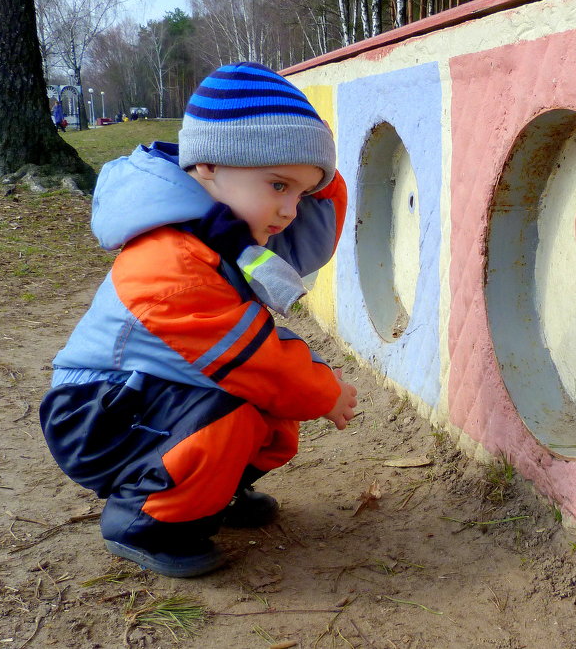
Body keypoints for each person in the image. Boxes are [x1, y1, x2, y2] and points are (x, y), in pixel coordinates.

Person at [39, 62, 358, 578]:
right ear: (207, 166)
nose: (291, 211)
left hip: (145, 400)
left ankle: (208, 495)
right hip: (97, 416)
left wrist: (315, 178)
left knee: (264, 414)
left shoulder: (218, 237)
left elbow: (255, 333)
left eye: (301, 194)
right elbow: (254, 360)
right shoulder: (170, 259)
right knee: (236, 406)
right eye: (278, 185)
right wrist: (325, 390)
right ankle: (147, 519)